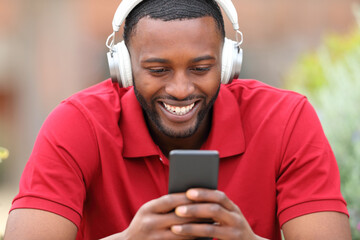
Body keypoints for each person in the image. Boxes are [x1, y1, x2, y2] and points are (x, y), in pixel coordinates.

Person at [4, 0, 352, 239]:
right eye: (158, 70)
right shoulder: (78, 123)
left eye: (201, 68)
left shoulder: (287, 120)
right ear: (123, 67)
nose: (181, 89)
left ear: (228, 63)